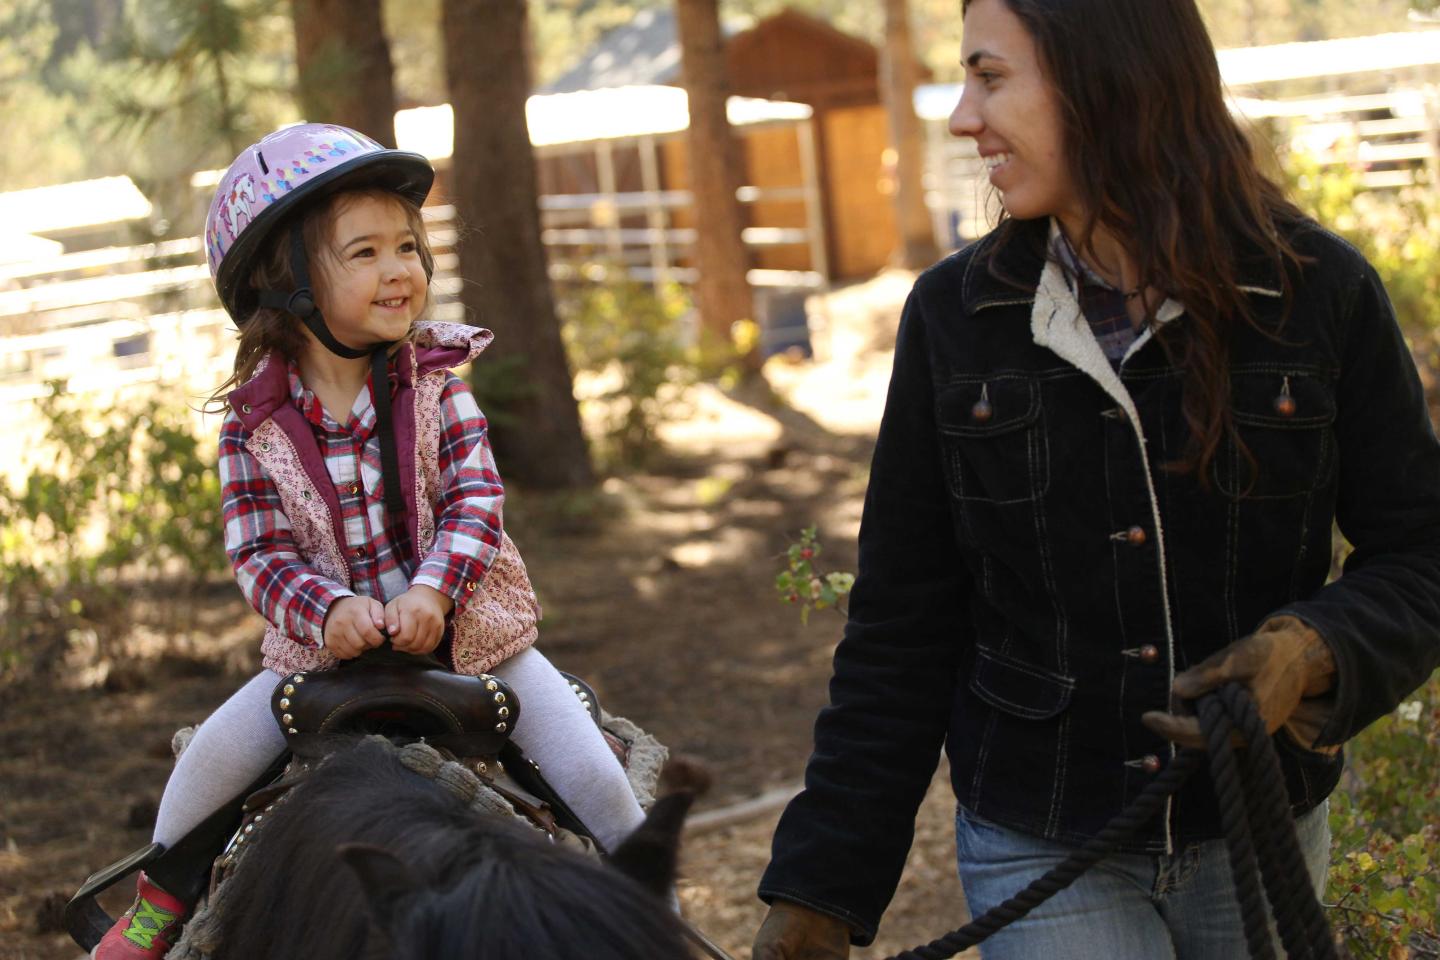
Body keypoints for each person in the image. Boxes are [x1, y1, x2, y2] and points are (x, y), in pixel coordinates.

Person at [751, 1, 1440, 957]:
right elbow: (903, 623)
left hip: (1261, 829)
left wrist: (1312, 652)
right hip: (1040, 838)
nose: (961, 116)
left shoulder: (1319, 295)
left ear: (1103, 76)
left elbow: (1421, 552)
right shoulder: (955, 317)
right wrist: (824, 884)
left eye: (989, 77)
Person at [94, 123, 646, 960]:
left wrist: (433, 592)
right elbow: (260, 555)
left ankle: (650, 912)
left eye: (409, 248)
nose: (401, 270)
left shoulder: (438, 388)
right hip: (324, 659)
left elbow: (475, 501)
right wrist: (328, 612)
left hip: (471, 646)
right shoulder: (252, 430)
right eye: (365, 253)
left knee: (601, 786)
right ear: (286, 281)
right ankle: (156, 907)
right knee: (205, 767)